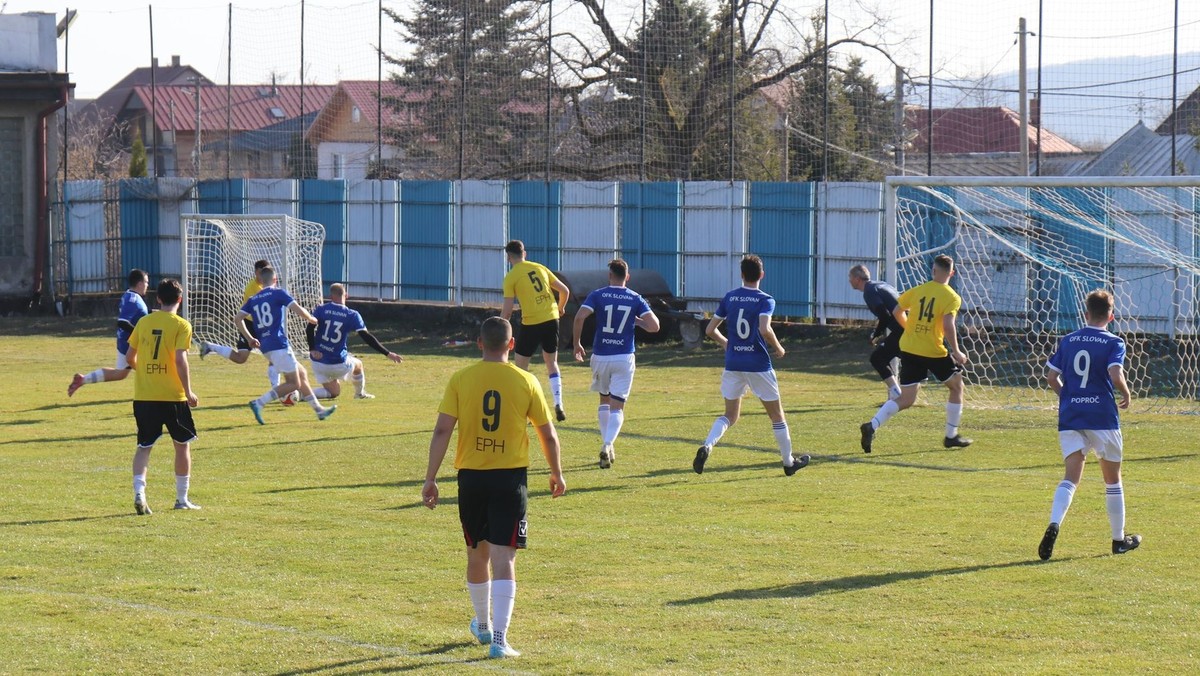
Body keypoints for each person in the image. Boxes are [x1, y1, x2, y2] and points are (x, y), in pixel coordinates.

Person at [422, 317, 566, 660]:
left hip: (470, 477)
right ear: (512, 344)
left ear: (479, 344)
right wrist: (556, 472)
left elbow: (443, 430)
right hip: (509, 478)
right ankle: (499, 639)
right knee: (505, 558)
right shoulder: (526, 380)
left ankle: (484, 626)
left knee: (477, 554)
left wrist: (430, 477)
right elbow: (547, 433)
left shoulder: (461, 379)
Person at [1038, 289, 1141, 560]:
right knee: (1112, 480)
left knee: (1070, 478)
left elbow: (1051, 377)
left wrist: (1069, 398)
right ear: (1111, 316)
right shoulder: (1114, 341)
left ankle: (1055, 523)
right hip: (1102, 416)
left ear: (1085, 314)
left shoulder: (1069, 340)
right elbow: (1115, 372)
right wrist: (1126, 393)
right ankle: (1118, 540)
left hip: (1072, 416)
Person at [693, 254, 809, 476]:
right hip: (757, 363)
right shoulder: (765, 299)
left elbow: (709, 330)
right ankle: (788, 462)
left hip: (733, 363)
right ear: (762, 275)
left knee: (730, 415)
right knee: (777, 415)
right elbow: (765, 329)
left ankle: (707, 445)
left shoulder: (730, 297)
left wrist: (727, 344)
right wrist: (778, 347)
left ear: (741, 275)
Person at [860, 254, 973, 454]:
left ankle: (872, 425)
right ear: (952, 273)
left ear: (933, 271)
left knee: (907, 399)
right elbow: (948, 324)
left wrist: (910, 328)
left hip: (909, 348)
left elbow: (897, 310)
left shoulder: (918, 290)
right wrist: (956, 351)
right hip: (932, 350)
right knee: (956, 386)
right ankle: (951, 436)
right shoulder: (952, 297)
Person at [572, 259, 661, 469]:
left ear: (609, 275)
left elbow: (579, 317)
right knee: (618, 406)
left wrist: (576, 344)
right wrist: (637, 320)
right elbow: (654, 327)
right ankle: (608, 443)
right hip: (623, 357)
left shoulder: (598, 294)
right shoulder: (634, 298)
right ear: (627, 277)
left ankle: (606, 446)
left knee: (604, 400)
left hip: (601, 356)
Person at [124, 278, 200, 514]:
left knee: (144, 446)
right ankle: (181, 499)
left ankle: (139, 493)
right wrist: (188, 391)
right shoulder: (182, 325)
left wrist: (145, 372)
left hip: (145, 395)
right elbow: (180, 359)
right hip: (172, 396)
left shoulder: (144, 322)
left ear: (158, 299)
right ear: (180, 299)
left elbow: (129, 357)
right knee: (182, 446)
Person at [236, 266, 335, 424]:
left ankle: (319, 410)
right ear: (275, 280)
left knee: (301, 374)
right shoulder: (278, 293)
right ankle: (258, 403)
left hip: (265, 347)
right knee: (293, 383)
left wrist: (249, 338)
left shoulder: (253, 299)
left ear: (261, 281)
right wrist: (311, 319)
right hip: (278, 344)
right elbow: (298, 309)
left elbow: (238, 318)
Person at [200, 259, 295, 403]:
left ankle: (277, 389)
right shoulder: (254, 288)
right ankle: (210, 346)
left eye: (261, 273)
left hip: (263, 326)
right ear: (256, 272)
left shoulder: (265, 286)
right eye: (257, 272)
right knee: (241, 358)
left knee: (273, 356)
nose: (259, 275)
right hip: (251, 325)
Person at [500, 240, 570, 422]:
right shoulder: (540, 267)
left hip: (531, 322)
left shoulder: (511, 276)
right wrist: (561, 309)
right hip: (551, 318)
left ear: (508, 257)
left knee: (521, 368)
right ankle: (558, 403)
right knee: (551, 362)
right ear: (525, 253)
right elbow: (565, 291)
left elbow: (507, 311)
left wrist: (500, 330)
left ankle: (523, 412)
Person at [305, 283, 404, 399]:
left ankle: (299, 393)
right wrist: (387, 353)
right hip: (337, 363)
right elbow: (367, 337)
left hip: (317, 361)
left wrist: (312, 349)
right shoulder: (352, 315)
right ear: (346, 295)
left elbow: (309, 329)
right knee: (358, 365)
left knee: (334, 392)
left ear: (330, 297)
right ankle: (359, 394)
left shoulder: (321, 309)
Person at [68, 269, 149, 396]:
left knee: (120, 374)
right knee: (148, 369)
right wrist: (139, 336)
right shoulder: (133, 299)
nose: (147, 285)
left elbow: (137, 315)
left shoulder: (130, 295)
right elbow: (122, 322)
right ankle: (155, 395)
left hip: (125, 341)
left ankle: (83, 379)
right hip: (131, 343)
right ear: (140, 283)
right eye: (146, 282)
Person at [848, 264, 903, 402]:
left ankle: (897, 395)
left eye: (850, 277)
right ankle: (898, 394)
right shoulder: (880, 285)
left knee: (877, 358)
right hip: (907, 327)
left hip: (903, 329)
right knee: (908, 358)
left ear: (857, 278)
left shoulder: (869, 291)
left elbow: (884, 316)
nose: (849, 281)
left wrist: (875, 334)